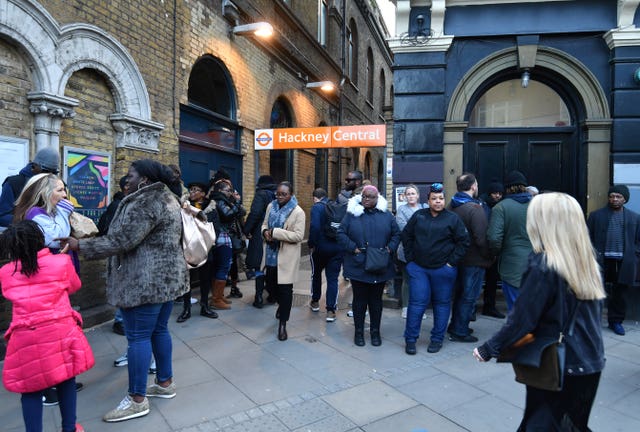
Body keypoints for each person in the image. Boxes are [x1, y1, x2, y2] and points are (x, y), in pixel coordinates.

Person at [60, 159, 188, 422]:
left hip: (144, 282)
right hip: (165, 280)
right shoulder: (167, 198)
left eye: (130, 175)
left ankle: (137, 399)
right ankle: (164, 383)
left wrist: (79, 246)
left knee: (138, 338)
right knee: (159, 331)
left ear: (144, 180)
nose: (125, 179)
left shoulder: (145, 202)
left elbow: (122, 240)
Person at [473, 193, 606, 431]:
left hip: (558, 363)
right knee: (571, 425)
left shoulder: (543, 264)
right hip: (590, 362)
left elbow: (522, 320)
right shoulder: (587, 261)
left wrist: (488, 348)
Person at [0, 220, 94, 432]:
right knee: (66, 379)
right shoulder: (61, 262)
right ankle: (69, 428)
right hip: (60, 330)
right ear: (39, 240)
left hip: (25, 335)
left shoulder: (6, 272)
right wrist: (59, 259)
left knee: (30, 389)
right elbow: (74, 286)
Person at [402, 183, 469, 355]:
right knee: (417, 303)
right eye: (434, 199)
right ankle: (410, 339)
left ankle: (437, 339)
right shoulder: (419, 216)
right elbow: (406, 236)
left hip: (443, 270)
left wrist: (451, 263)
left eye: (441, 198)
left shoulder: (452, 218)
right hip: (419, 269)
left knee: (442, 304)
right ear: (428, 200)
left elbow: (464, 242)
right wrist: (410, 260)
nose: (438, 201)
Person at [337, 185, 400, 347]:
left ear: (377, 198)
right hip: (358, 264)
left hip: (380, 264)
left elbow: (396, 234)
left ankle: (375, 332)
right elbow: (341, 233)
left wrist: (389, 248)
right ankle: (359, 332)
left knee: (376, 301)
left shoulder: (386, 215)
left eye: (370, 197)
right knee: (359, 301)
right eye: (364, 196)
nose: (366, 199)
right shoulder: (352, 214)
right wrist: (353, 248)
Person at [587, 184, 640, 336]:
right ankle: (594, 322)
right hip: (601, 260)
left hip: (623, 262)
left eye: (618, 196)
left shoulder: (634, 217)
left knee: (620, 294)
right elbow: (586, 237)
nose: (614, 199)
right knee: (596, 292)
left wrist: (634, 253)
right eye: (611, 196)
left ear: (625, 199)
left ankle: (615, 322)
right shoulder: (596, 216)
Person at [448, 173, 493, 343]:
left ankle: (456, 325)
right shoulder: (475, 208)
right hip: (474, 260)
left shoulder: (450, 206)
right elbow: (481, 238)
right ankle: (460, 330)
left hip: (456, 259)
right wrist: (489, 256)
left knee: (460, 294)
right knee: (469, 296)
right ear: (473, 186)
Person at [262, 181, 305, 341]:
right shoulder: (270, 206)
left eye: (284, 194)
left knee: (286, 291)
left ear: (291, 195)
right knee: (271, 288)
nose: (279, 197)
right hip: (271, 256)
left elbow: (298, 236)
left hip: (286, 257)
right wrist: (265, 231)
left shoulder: (298, 212)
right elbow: (265, 224)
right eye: (278, 193)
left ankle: (282, 324)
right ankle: (281, 305)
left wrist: (276, 233)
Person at [487, 170, 533, 311]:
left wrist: (495, 253)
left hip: (511, 267)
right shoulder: (537, 205)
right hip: (537, 264)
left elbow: (494, 238)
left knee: (517, 311)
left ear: (507, 188)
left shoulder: (501, 207)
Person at [176, 182, 219, 322]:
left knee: (205, 280)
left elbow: (215, 229)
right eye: (191, 189)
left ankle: (205, 306)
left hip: (205, 250)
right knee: (187, 280)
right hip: (188, 249)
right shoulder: (185, 206)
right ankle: (186, 309)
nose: (192, 192)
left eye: (196, 190)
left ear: (203, 193)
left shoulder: (211, 208)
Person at [97, 175, 129, 335]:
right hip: (119, 255)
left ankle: (121, 320)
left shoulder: (120, 204)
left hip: (119, 253)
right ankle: (119, 321)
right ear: (127, 187)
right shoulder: (120, 206)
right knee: (123, 287)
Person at [0, 146, 60, 230]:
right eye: (45, 171)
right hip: (22, 237)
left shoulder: (57, 186)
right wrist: (30, 220)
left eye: (53, 172)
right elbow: (2, 217)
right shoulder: (14, 183)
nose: (49, 175)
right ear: (34, 166)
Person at [308, 188, 343, 322]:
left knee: (316, 274)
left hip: (320, 248)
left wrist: (311, 244)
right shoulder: (336, 206)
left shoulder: (317, 207)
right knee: (333, 279)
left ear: (315, 198)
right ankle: (330, 310)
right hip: (337, 248)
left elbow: (315, 227)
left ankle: (315, 302)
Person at [208, 179, 244, 310]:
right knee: (223, 267)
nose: (230, 193)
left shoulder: (221, 200)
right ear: (220, 190)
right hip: (222, 237)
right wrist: (237, 202)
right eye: (228, 190)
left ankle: (218, 296)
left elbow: (241, 212)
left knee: (221, 267)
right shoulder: (220, 201)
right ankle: (216, 300)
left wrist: (235, 203)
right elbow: (227, 215)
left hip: (222, 237)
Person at [395, 184, 428, 319]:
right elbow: (404, 229)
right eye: (408, 194)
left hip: (424, 252)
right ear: (405, 196)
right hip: (406, 252)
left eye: (413, 193)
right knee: (407, 280)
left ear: (418, 195)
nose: (410, 196)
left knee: (421, 281)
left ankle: (420, 308)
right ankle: (406, 307)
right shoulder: (401, 210)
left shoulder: (425, 208)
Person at [244, 175, 277, 308]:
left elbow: (255, 214)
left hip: (260, 234)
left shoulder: (260, 194)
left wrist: (246, 230)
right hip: (274, 233)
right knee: (271, 265)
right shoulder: (277, 195)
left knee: (259, 266)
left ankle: (258, 297)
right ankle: (272, 295)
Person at [479, 180, 506, 319]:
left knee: (492, 280)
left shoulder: (500, 206)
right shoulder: (482, 205)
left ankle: (489, 306)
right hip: (482, 247)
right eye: (495, 193)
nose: (498, 196)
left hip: (493, 249)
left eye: (500, 193)